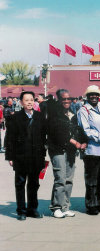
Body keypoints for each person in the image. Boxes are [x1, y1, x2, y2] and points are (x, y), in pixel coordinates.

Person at [5, 91, 46, 221]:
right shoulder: (15, 117)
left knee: (34, 184)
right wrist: (10, 157)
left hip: (36, 156)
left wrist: (43, 155)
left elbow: (43, 137)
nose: (29, 102)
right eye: (26, 100)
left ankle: (32, 209)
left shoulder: (40, 116)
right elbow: (9, 139)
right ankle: (21, 211)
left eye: (31, 100)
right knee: (20, 183)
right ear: (21, 102)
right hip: (20, 156)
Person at [48, 89, 87, 218]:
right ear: (59, 100)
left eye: (68, 99)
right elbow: (58, 134)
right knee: (60, 179)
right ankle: (56, 207)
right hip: (58, 150)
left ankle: (65, 206)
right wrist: (75, 143)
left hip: (70, 152)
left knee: (69, 180)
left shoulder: (73, 114)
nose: (66, 101)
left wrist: (83, 142)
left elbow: (78, 130)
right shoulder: (54, 114)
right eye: (63, 99)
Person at [77, 85, 100, 215]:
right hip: (92, 148)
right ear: (87, 96)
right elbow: (85, 130)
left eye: (96, 94)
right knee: (91, 178)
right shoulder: (84, 110)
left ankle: (98, 202)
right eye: (91, 94)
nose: (94, 96)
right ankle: (90, 204)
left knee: (99, 176)